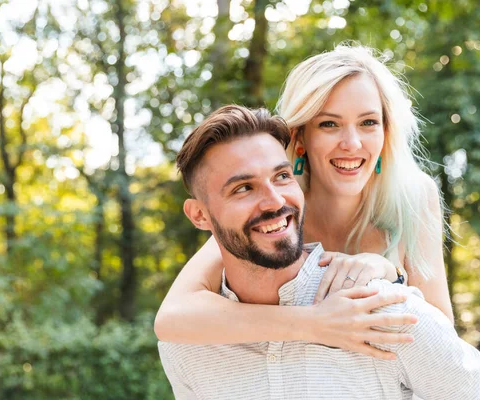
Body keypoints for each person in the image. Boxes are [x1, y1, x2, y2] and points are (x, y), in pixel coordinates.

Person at [158, 105, 480, 399]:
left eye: (281, 177)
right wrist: (314, 324)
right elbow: (169, 319)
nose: (274, 201)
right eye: (243, 188)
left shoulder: (382, 312)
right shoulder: (189, 346)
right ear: (199, 215)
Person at [155, 44, 452, 358]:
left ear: (386, 131)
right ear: (300, 138)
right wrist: (315, 324)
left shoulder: (415, 195)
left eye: (368, 123)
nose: (352, 144)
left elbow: (445, 340)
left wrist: (390, 272)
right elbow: (173, 316)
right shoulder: (277, 208)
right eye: (329, 124)